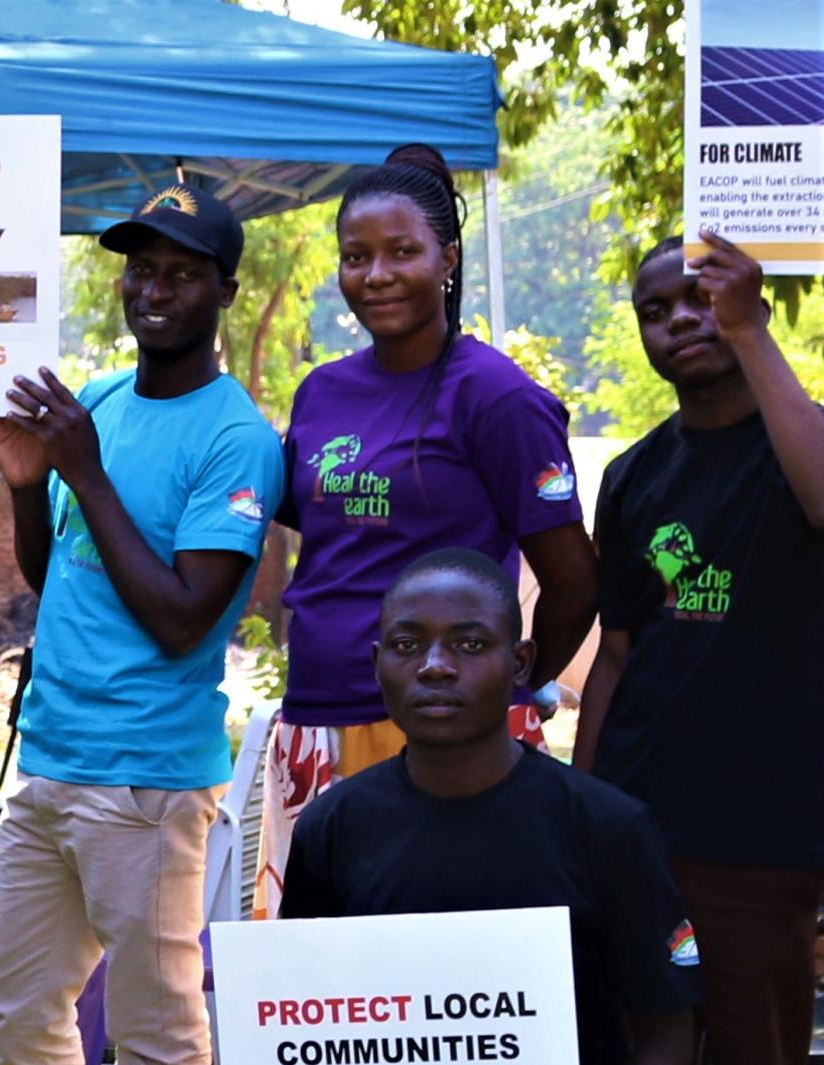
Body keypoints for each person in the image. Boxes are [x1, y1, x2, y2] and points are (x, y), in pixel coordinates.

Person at [0, 184, 284, 1065]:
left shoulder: (234, 439)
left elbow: (183, 614)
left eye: (180, 274)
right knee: (18, 1004)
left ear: (222, 291)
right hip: (52, 763)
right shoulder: (98, 399)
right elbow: (51, 568)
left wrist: (88, 472)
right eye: (140, 269)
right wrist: (32, 480)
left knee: (155, 1031)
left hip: (146, 781)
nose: (153, 290)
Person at [256, 143, 598, 919]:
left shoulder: (497, 395)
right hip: (317, 720)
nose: (375, 275)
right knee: (323, 980)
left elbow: (575, 578)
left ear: (446, 257)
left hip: (445, 736)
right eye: (356, 256)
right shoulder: (322, 392)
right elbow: (315, 519)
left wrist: (506, 682)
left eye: (401, 252)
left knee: (450, 974)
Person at [282, 549, 699, 1065]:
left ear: (521, 664)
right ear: (377, 665)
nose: (436, 668)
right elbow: (307, 1028)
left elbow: (668, 1034)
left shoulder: (605, 828)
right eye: (407, 644)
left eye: (470, 644)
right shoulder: (334, 828)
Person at [576, 231, 824, 1065]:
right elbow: (616, 659)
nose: (680, 319)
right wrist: (583, 809)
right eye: (655, 309)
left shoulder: (799, 441)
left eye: (697, 299)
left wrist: (753, 326)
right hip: (641, 828)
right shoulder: (635, 476)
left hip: (761, 838)